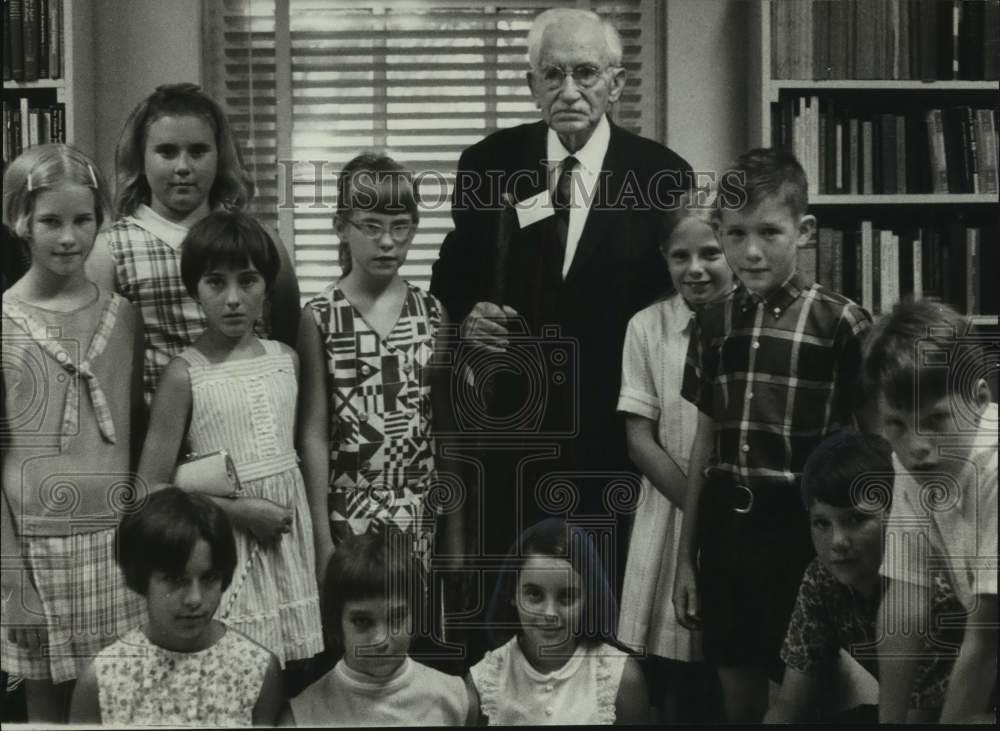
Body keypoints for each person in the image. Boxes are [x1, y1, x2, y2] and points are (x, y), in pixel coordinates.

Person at [429, 7, 693, 596]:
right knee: (510, 603)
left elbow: (672, 304)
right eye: (552, 75)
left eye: (586, 73)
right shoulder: (488, 165)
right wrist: (470, 310)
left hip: (613, 432)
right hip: (512, 429)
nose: (568, 90)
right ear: (531, 83)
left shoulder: (662, 175)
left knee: (607, 600)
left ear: (616, 82)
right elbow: (452, 271)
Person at [672, 148, 873, 722]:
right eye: (735, 235)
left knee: (803, 696)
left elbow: (873, 444)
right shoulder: (711, 322)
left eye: (769, 232)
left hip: (805, 533)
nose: (751, 251)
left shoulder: (842, 322)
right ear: (719, 233)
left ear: (803, 232)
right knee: (737, 691)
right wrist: (687, 561)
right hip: (730, 532)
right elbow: (703, 447)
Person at [136, 210, 323, 668]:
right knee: (236, 667)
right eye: (216, 283)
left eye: (249, 281)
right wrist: (241, 513)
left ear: (268, 285)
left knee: (294, 672)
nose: (234, 299)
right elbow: (149, 489)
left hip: (288, 543)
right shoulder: (184, 375)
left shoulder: (287, 360)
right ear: (194, 289)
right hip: (226, 550)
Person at [1, 143, 145, 723]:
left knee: (120, 695)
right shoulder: (4, 322)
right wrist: (13, 582)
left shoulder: (124, 316)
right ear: (20, 221)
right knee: (43, 703)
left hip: (115, 542)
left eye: (83, 220)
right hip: (34, 548)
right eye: (51, 221)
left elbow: (135, 433)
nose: (68, 237)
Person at [297, 152, 461, 584]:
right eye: (371, 226)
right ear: (341, 227)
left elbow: (444, 431)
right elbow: (313, 434)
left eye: (400, 227)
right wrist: (319, 538)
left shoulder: (431, 313)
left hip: (418, 513)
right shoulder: (320, 316)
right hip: (347, 511)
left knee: (410, 632)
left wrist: (455, 538)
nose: (387, 242)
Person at [84, 82, 300, 405]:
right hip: (162, 439)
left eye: (198, 151)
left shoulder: (262, 240)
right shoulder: (110, 252)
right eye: (167, 152)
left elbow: (287, 338)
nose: (183, 167)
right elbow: (103, 371)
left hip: (256, 428)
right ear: (141, 158)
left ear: (219, 155)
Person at [615, 194, 733, 722]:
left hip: (742, 516)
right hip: (672, 507)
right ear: (664, 257)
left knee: (735, 664)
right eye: (680, 257)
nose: (696, 269)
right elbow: (639, 438)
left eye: (710, 253)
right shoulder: (647, 327)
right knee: (675, 665)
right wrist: (698, 511)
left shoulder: (750, 322)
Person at [766, 431, 963, 723]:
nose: (837, 541)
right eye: (822, 523)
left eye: (856, 519)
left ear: (897, 514)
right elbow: (790, 703)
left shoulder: (932, 592)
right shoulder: (822, 578)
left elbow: (919, 719)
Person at [862, 299, 997, 724]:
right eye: (896, 425)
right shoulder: (915, 461)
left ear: (979, 399)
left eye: (936, 419)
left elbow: (987, 640)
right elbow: (905, 598)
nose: (916, 447)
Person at [69, 487, 284, 726]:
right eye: (175, 580)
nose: (194, 598)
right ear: (141, 579)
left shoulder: (255, 669)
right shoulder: (102, 680)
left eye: (209, 578)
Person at [281, 533, 474, 726]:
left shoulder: (454, 699)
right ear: (336, 623)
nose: (381, 639)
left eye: (397, 618)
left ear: (415, 616)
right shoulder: (301, 716)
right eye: (362, 621)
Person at [470, 518, 649, 725]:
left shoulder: (621, 679)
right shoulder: (485, 682)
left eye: (567, 597)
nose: (550, 613)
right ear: (512, 593)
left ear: (588, 598)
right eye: (535, 594)